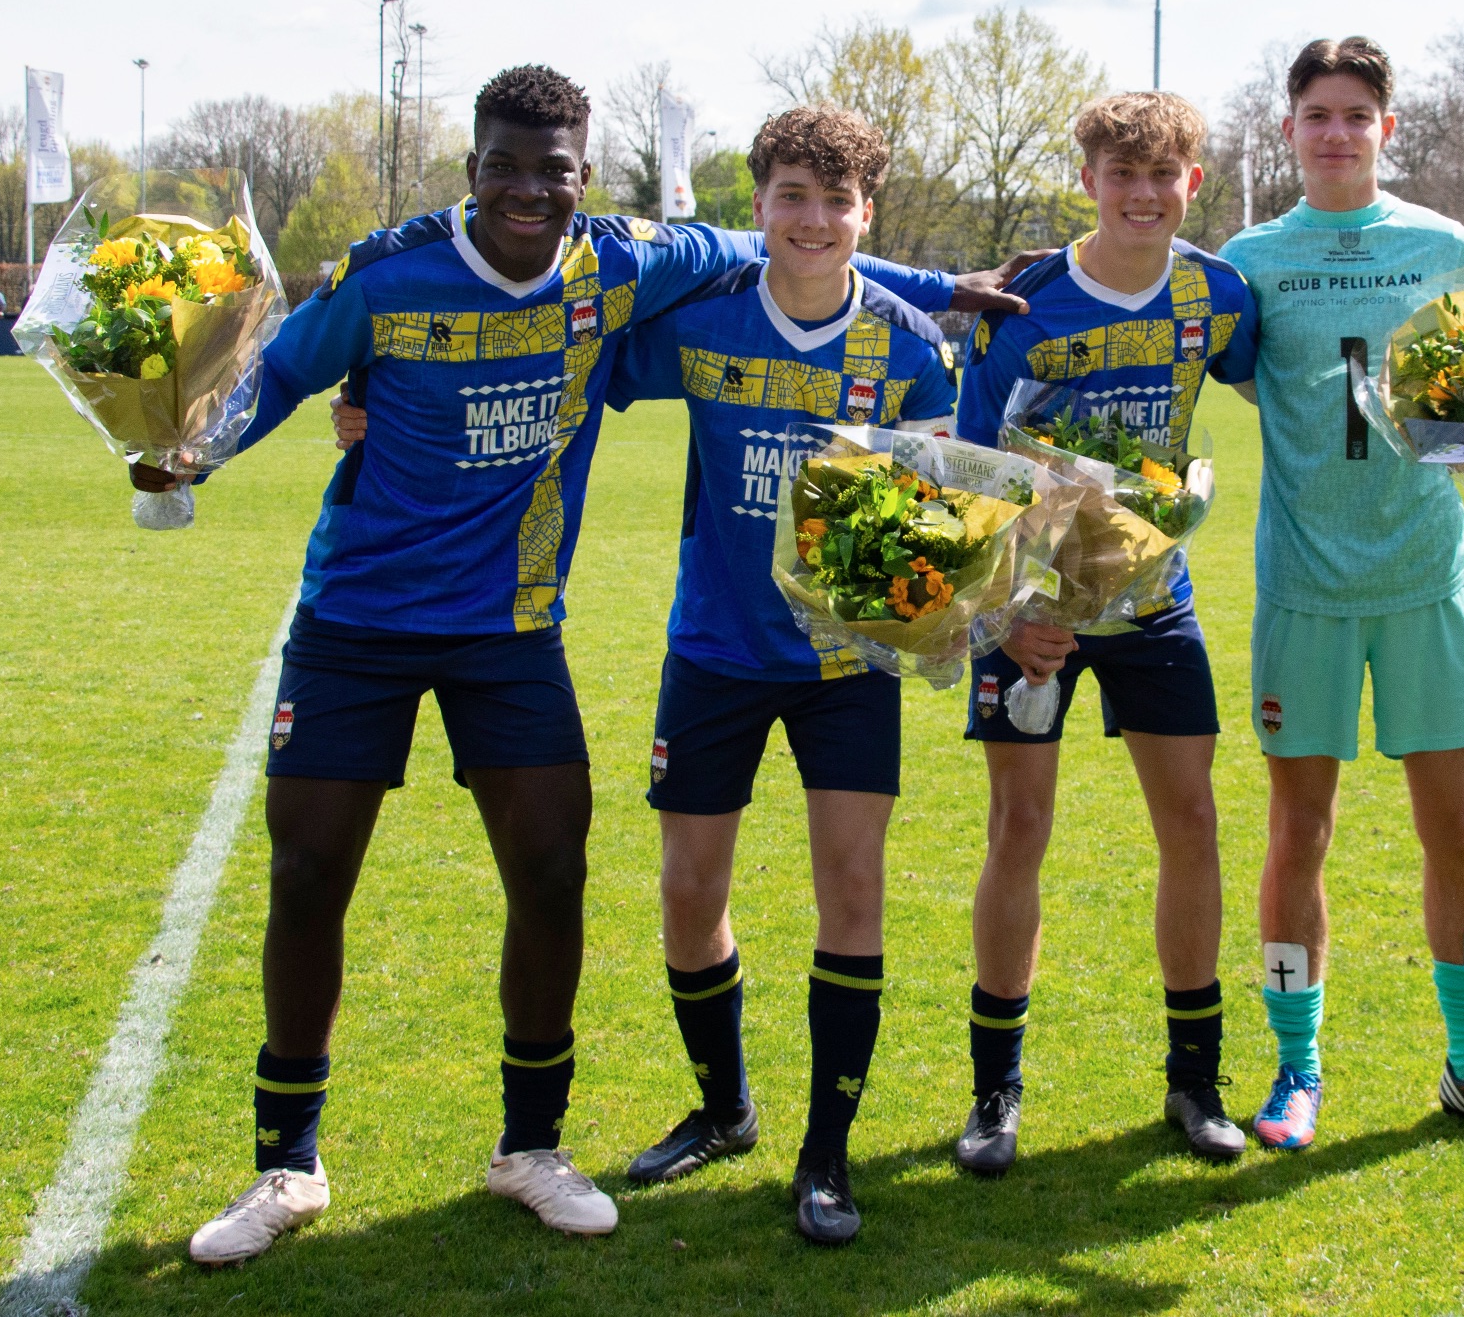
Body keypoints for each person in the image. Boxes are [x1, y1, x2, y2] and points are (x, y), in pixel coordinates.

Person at [162, 65, 1042, 1267]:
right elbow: (277, 367)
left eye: (554, 170)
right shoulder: (392, 270)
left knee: (553, 865)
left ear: (585, 176)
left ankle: (538, 1144)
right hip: (365, 617)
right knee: (311, 871)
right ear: (472, 165)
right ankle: (287, 1161)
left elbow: (796, 258)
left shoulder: (623, 263)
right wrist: (180, 445)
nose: (529, 190)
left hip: (521, 627)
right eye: (505, 166)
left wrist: (940, 296)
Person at [1215, 37, 1464, 1153]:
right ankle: (1296, 1073)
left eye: (1356, 114)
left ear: (1387, 129)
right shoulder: (1248, 261)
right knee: (1299, 833)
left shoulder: (1443, 244)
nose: (1336, 132)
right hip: (1305, 591)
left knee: (1457, 829)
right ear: (1288, 131)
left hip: (1428, 581)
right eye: (1316, 114)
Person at [603, 105, 953, 1245]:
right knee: (689, 891)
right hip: (712, 648)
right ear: (757, 207)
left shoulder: (904, 343)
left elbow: (937, 519)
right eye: (790, 197)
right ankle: (722, 1107)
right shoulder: (702, 321)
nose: (812, 220)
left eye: (834, 201)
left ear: (867, 214)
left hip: (846, 664)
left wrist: (945, 604)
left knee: (852, 890)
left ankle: (825, 1154)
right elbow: (570, 350)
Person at [946, 92, 1257, 1175]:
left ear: (1191, 183)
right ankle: (993, 1096)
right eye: (1118, 175)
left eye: (1159, 176)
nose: (1139, 194)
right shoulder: (1023, 301)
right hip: (1028, 612)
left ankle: (1196, 1082)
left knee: (1193, 825)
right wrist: (1013, 612)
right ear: (1087, 182)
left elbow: (1283, 381)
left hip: (1154, 601)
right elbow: (971, 470)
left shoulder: (1217, 295)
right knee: (1017, 830)